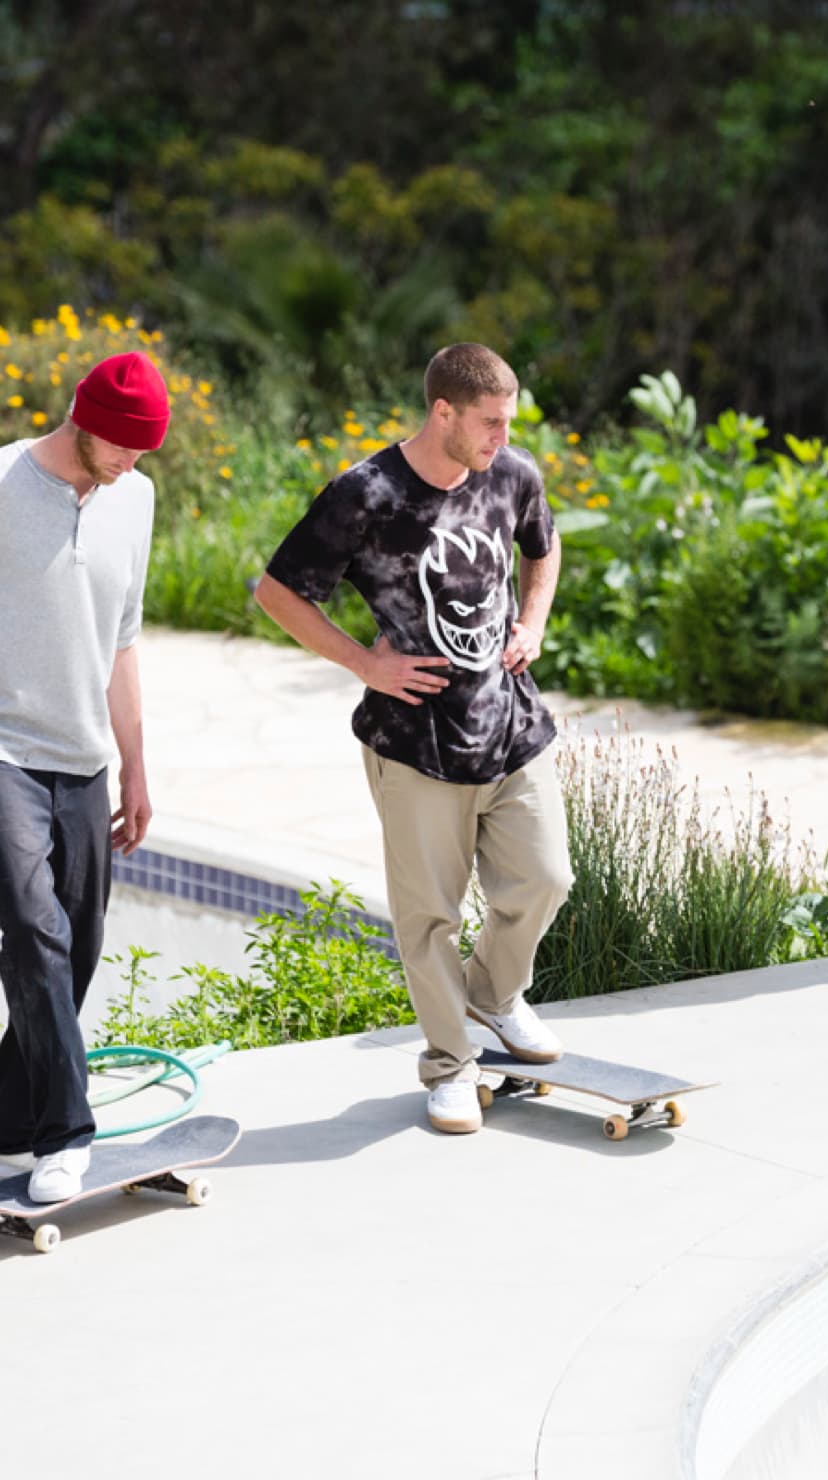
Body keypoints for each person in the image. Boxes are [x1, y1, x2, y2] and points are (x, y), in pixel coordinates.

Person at [255, 343, 572, 1133]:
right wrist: (366, 663)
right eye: (490, 422)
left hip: (512, 724)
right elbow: (277, 591)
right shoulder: (367, 494)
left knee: (546, 879)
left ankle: (494, 997)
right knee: (428, 917)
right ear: (444, 413)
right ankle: (451, 1064)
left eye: (508, 422)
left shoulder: (512, 475)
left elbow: (543, 547)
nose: (503, 437)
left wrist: (532, 622)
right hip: (416, 741)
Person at [0, 351, 167, 1197]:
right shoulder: (1, 484)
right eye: (128, 446)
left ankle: (8, 1126)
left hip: (82, 758)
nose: (135, 463)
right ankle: (67, 1133)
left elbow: (123, 641)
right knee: (33, 933)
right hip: (4, 753)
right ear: (85, 421)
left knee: (78, 944)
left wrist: (135, 768)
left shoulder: (133, 498)